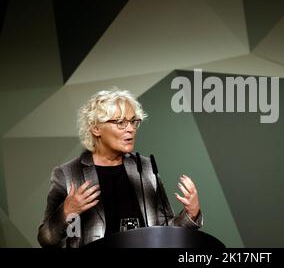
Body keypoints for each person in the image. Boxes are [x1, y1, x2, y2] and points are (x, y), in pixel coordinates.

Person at [37, 88, 202, 248]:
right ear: (96, 128)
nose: (130, 129)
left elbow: (165, 231)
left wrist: (191, 214)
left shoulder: (144, 167)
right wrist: (67, 212)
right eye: (120, 122)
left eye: (133, 121)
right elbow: (46, 240)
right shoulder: (68, 174)